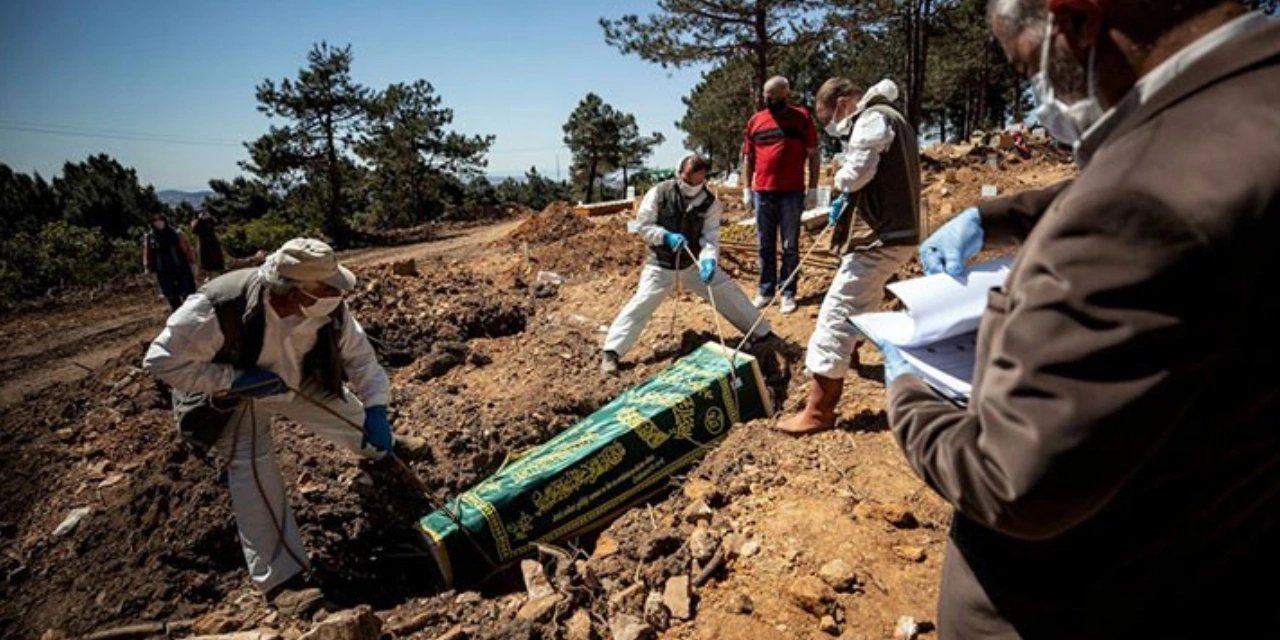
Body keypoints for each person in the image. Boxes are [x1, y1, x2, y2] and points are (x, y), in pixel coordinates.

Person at [881, 1, 1280, 637]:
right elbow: (1176, 165)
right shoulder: (1250, 90)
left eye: (1027, 68)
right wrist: (1002, 215)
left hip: (1084, 596)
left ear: (1077, 21)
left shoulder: (1138, 202)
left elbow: (1012, 480)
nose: (1036, 94)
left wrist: (908, 393)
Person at [143, 237, 395, 610]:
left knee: (356, 421)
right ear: (294, 294)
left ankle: (382, 452)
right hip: (238, 396)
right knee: (252, 465)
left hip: (297, 378)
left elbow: (360, 359)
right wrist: (231, 380)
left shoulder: (330, 309)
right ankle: (282, 580)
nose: (336, 292)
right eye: (325, 288)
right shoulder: (218, 307)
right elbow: (161, 361)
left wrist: (376, 408)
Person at [775, 78, 922, 435]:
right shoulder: (893, 118)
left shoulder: (871, 119)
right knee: (863, 300)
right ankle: (852, 354)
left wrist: (839, 182)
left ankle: (819, 410)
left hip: (880, 235)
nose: (832, 127)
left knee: (836, 312)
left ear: (843, 103)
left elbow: (856, 175)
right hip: (897, 232)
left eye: (829, 118)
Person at [601, 153, 775, 376]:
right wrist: (665, 236)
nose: (692, 186)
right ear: (679, 173)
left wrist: (709, 260)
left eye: (698, 181)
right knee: (642, 303)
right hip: (661, 264)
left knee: (728, 293)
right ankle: (612, 352)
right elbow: (643, 225)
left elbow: (710, 237)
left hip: (692, 264)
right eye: (688, 180)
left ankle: (761, 333)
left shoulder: (710, 203)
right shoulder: (659, 193)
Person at [741, 76, 821, 315]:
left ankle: (788, 291)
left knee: (790, 245)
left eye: (775, 97)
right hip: (763, 192)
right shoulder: (756, 121)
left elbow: (813, 153)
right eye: (767, 96)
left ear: (786, 95)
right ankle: (766, 290)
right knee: (764, 244)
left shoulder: (801, 118)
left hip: (792, 192)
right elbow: (748, 158)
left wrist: (813, 188)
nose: (770, 101)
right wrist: (747, 188)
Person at [143, 213, 198, 310]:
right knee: (172, 297)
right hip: (163, 270)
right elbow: (147, 253)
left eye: (160, 220)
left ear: (165, 221)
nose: (159, 223)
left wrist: (193, 263)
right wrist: (147, 268)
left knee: (187, 293)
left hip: (180, 267)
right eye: (155, 221)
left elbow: (186, 249)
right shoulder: (150, 237)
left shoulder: (176, 233)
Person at [191, 209, 226, 277]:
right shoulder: (196, 222)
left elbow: (215, 222)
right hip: (203, 245)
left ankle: (218, 273)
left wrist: (209, 217)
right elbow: (194, 230)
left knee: (217, 261)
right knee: (206, 263)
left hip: (213, 243)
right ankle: (209, 276)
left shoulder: (209, 220)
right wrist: (200, 219)